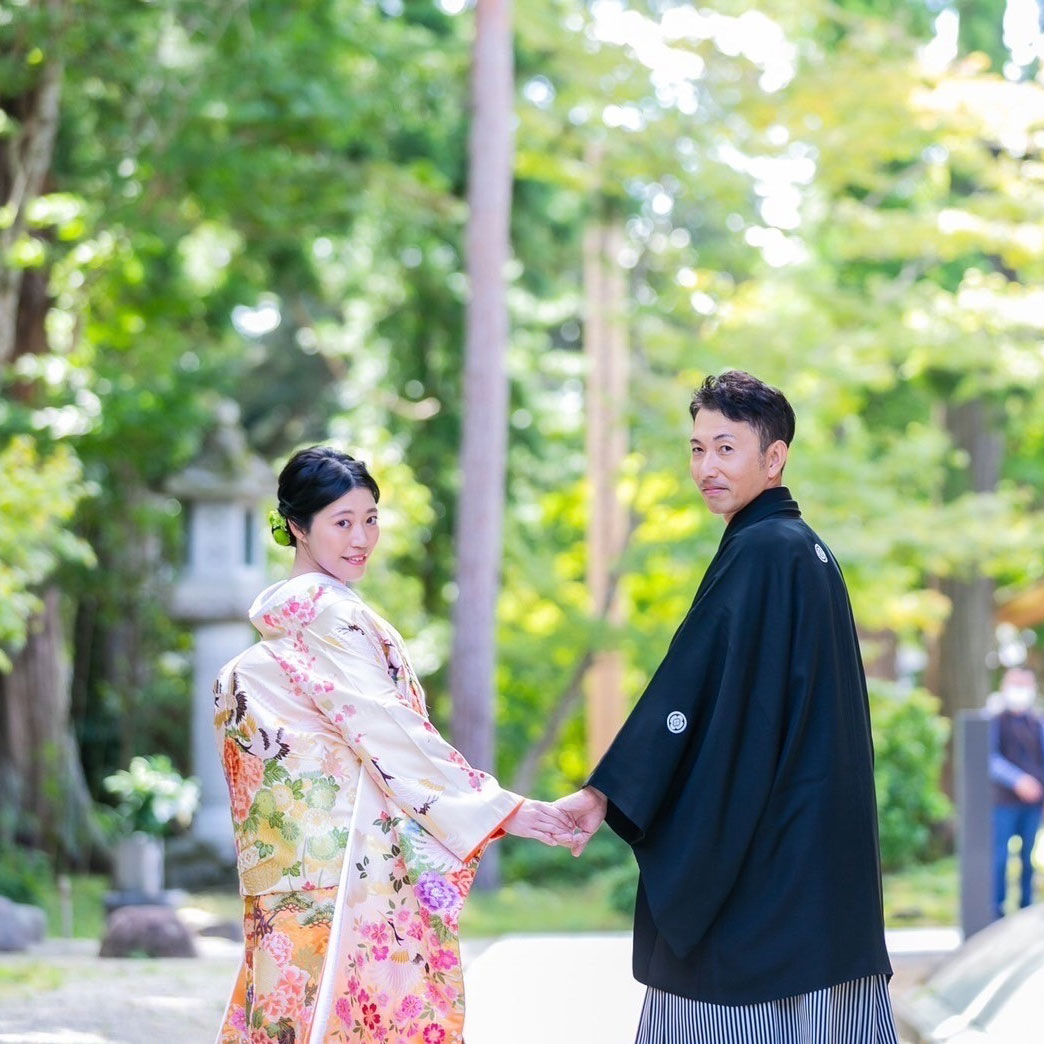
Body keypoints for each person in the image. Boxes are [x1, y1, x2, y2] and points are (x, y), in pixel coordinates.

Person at [557, 370, 898, 1043]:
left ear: (774, 457)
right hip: (816, 857)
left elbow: (692, 687)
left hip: (768, 856)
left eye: (726, 448)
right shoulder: (802, 549)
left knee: (724, 989)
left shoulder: (765, 551)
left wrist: (606, 794)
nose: (706, 467)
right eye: (696, 449)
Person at [214, 446, 570, 1044]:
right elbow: (388, 731)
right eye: (342, 522)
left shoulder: (291, 618)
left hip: (292, 865)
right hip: (345, 863)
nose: (362, 538)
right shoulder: (329, 614)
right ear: (298, 527)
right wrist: (502, 807)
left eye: (371, 518)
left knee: (295, 1012)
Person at [990, 666, 1044, 919]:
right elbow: (990, 759)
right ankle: (996, 911)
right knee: (1000, 856)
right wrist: (1018, 781)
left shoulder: (1037, 722)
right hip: (1003, 802)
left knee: (1028, 856)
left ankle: (1027, 908)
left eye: (1025, 684)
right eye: (1015, 684)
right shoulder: (995, 720)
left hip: (1033, 803)